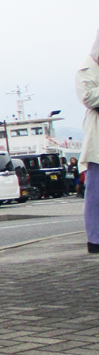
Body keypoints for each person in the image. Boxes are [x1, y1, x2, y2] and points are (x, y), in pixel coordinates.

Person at [75, 32, 99, 254]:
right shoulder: (87, 68)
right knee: (96, 194)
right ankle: (95, 239)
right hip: (97, 142)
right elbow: (89, 97)